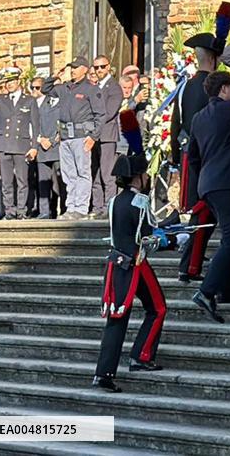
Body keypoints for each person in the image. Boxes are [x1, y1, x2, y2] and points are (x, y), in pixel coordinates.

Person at [91, 112, 184, 393]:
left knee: (116, 319)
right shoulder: (141, 202)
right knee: (158, 308)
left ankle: (103, 373)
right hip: (136, 264)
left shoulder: (114, 201)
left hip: (116, 263)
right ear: (139, 177)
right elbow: (147, 238)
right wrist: (174, 240)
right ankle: (141, 356)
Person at [189, 71, 230, 323]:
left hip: (209, 182)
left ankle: (226, 289)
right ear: (224, 89)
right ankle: (207, 291)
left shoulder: (198, 118)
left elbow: (192, 156)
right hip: (226, 181)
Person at [171, 32, 222, 282]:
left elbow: (175, 124)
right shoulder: (214, 87)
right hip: (207, 157)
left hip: (187, 155)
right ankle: (189, 265)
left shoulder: (184, 87)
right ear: (213, 58)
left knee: (201, 213)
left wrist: (173, 158)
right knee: (202, 214)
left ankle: (192, 260)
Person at [42, 57, 105, 219]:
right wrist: (55, 75)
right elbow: (45, 89)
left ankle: (81, 208)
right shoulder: (64, 88)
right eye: (72, 67)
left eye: (76, 67)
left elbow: (100, 115)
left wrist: (93, 137)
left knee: (82, 173)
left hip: (81, 136)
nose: (73, 70)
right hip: (65, 137)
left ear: (85, 69)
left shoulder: (91, 89)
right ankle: (71, 207)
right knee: (68, 174)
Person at [0, 67, 39, 220]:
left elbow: (36, 125)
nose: (9, 84)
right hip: (4, 145)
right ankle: (10, 211)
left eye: (12, 81)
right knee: (6, 182)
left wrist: (34, 147)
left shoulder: (29, 100)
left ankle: (22, 211)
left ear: (19, 81)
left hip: (21, 145)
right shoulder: (0, 99)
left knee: (22, 181)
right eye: (7, 81)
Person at [91, 55, 124, 218]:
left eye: (102, 67)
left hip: (106, 135)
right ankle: (97, 206)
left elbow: (108, 112)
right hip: (93, 136)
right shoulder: (95, 87)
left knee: (107, 173)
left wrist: (92, 125)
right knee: (95, 173)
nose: (99, 70)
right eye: (96, 67)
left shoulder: (114, 88)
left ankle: (109, 206)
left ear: (108, 66)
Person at [32, 77, 65, 219]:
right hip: (42, 148)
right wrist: (40, 139)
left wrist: (51, 141)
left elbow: (64, 126)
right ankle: (44, 211)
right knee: (43, 182)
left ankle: (63, 210)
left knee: (60, 183)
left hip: (57, 148)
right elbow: (34, 125)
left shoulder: (64, 104)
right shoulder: (41, 104)